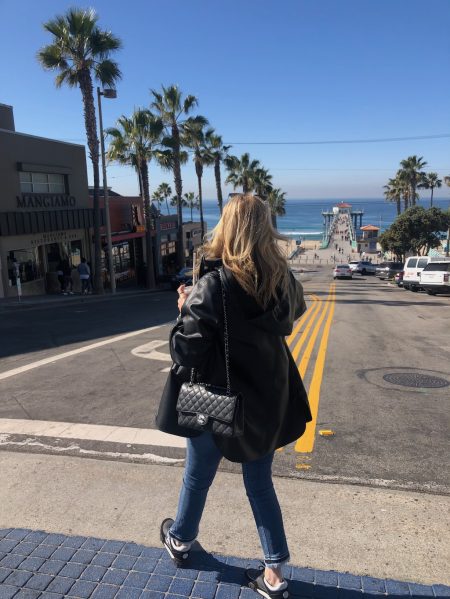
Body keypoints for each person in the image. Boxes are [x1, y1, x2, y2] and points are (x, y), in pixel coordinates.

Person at [156, 194, 311, 599]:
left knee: (198, 473)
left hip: (217, 400)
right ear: (265, 230)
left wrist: (184, 307)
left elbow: (184, 350)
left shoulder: (213, 285)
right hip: (267, 399)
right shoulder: (283, 280)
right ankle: (275, 573)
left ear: (227, 229)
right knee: (259, 484)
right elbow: (293, 315)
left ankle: (182, 539)